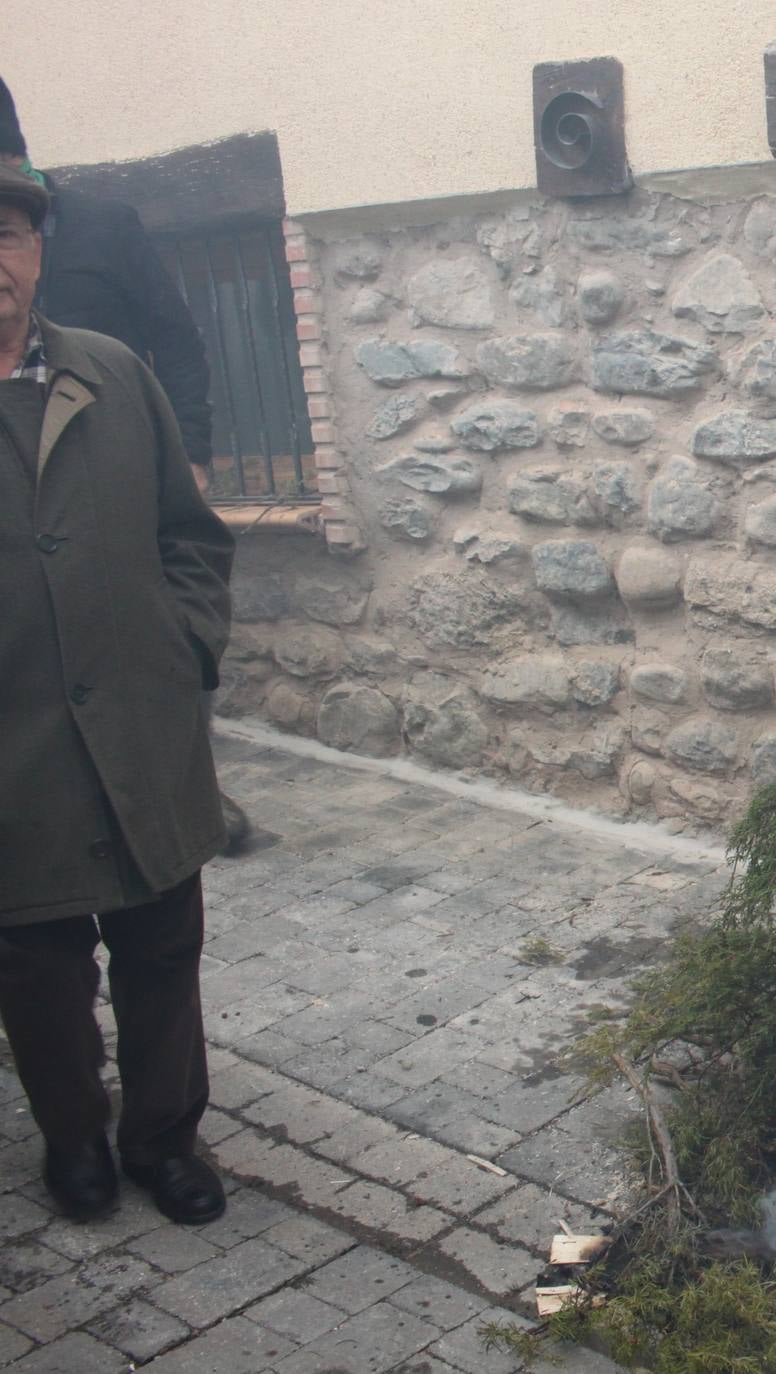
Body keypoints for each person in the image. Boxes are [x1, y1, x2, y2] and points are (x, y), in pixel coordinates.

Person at [0, 162, 235, 1225]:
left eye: (7, 235)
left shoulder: (110, 374)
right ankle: (76, 1140)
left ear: (37, 251)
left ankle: (163, 1140)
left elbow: (189, 536)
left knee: (160, 951)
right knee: (39, 974)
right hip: (16, 754)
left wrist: (185, 651)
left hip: (144, 731)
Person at [0, 74, 250, 853]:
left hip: (116, 481)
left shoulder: (105, 227)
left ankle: (187, 795)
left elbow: (175, 342)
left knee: (152, 665)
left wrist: (193, 455)